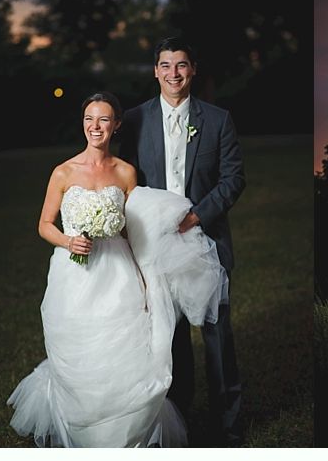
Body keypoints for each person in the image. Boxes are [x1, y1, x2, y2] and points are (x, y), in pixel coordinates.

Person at [7, 92, 226, 447]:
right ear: (82, 124)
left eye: (104, 120)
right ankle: (83, 422)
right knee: (81, 343)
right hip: (74, 272)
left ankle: (123, 430)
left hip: (117, 270)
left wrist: (143, 279)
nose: (96, 127)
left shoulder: (125, 172)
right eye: (89, 119)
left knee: (122, 345)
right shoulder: (63, 172)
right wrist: (67, 241)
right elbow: (45, 224)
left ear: (116, 125)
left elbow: (130, 230)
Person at [120, 37, 246, 446]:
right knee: (170, 339)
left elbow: (233, 180)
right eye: (166, 65)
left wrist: (196, 216)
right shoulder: (136, 120)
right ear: (155, 71)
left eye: (182, 65)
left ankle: (229, 428)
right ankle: (180, 425)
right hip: (155, 246)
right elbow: (128, 180)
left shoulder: (218, 119)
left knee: (217, 337)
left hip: (205, 239)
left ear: (193, 70)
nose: (174, 73)